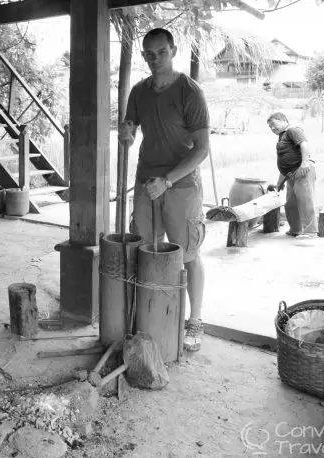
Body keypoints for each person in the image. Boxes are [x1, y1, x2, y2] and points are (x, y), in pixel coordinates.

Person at [118, 28, 210, 352]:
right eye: (149, 54)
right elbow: (129, 128)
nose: (155, 59)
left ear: (172, 51)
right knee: (144, 249)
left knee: (187, 254)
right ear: (144, 56)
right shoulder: (139, 92)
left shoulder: (189, 91)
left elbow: (201, 150)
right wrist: (127, 134)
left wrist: (168, 180)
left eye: (161, 52)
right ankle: (148, 316)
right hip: (146, 182)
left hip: (180, 184)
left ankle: (194, 320)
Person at [266, 112, 317, 238]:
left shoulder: (293, 130)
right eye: (270, 127)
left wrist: (305, 162)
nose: (272, 128)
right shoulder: (283, 136)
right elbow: (285, 163)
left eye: (274, 124)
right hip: (291, 175)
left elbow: (304, 144)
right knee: (290, 203)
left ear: (283, 120)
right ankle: (296, 230)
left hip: (302, 170)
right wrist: (279, 184)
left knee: (306, 201)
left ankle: (310, 232)